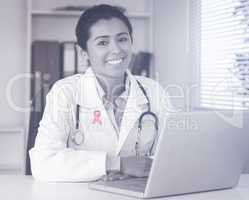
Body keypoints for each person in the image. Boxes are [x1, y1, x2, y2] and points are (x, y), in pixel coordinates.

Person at [29, 4, 172, 182]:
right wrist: (117, 164)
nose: (117, 50)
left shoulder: (153, 91)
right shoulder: (65, 92)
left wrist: (143, 167)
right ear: (83, 53)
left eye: (122, 39)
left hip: (138, 192)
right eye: (103, 42)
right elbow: (44, 163)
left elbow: (174, 155)